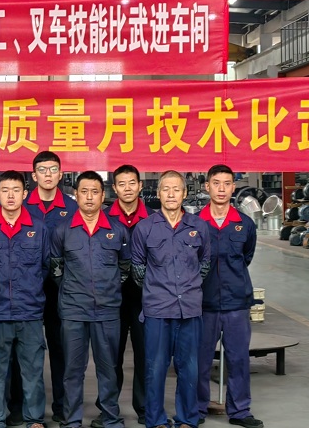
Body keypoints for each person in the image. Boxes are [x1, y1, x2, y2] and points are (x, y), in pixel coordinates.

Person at [50, 171, 130, 428]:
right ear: (76, 194)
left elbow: (125, 269)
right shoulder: (63, 231)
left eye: (95, 192)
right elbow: (56, 269)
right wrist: (74, 291)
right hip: (73, 311)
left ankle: (110, 418)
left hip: (107, 311)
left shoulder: (117, 231)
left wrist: (107, 290)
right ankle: (72, 420)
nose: (89, 197)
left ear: (103, 195)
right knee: (72, 370)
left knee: (108, 369)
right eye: (84, 191)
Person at [131, 170, 211, 428]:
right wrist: (159, 290)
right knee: (155, 369)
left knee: (189, 368)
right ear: (158, 193)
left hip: (189, 309)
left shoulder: (198, 227)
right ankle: (155, 420)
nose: (171, 194)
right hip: (157, 310)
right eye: (166, 189)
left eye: (176, 189)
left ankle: (187, 419)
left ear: (184, 193)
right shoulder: (145, 228)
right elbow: (138, 270)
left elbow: (205, 264)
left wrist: (187, 287)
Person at [0, 171, 50, 428]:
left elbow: (45, 266)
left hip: (30, 311)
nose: (10, 195)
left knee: (32, 371)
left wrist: (30, 291)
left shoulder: (38, 228)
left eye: (16, 190)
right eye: (5, 190)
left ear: (24, 194)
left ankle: (34, 419)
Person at [196, 165, 263, 428]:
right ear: (207, 187)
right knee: (200, 360)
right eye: (216, 183)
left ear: (233, 187)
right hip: (204, 303)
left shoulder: (244, 224)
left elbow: (247, 256)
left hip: (236, 302)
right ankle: (197, 408)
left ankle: (240, 411)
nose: (221, 189)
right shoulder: (195, 224)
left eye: (227, 183)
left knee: (238, 359)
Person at [92, 165, 152, 428]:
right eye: (122, 184)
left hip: (144, 300)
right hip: (110, 300)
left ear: (140, 185)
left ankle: (145, 408)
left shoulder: (153, 219)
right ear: (114, 188)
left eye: (132, 183)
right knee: (110, 358)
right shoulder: (103, 219)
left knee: (145, 355)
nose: (127, 188)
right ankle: (107, 409)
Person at [23, 151, 78, 425]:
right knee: (26, 351)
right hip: (27, 289)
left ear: (61, 174)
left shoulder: (72, 207)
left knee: (60, 348)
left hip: (61, 289)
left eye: (53, 169)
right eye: (42, 170)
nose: (48, 174)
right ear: (34, 176)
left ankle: (62, 406)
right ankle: (24, 407)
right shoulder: (22, 206)